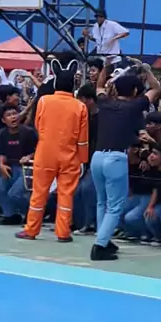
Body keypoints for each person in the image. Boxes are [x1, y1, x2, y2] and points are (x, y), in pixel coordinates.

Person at [90, 63, 161, 261]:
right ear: (135, 91)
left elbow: (99, 85)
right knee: (114, 206)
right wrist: (147, 70)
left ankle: (104, 239)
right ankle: (100, 245)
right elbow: (156, 88)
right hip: (116, 158)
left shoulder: (105, 103)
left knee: (102, 202)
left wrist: (105, 68)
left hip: (97, 157)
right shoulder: (135, 106)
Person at [17, 62, 89, 242]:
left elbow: (37, 125)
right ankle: (63, 233)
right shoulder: (80, 106)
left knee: (39, 193)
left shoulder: (44, 101)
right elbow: (83, 138)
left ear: (55, 82)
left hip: (45, 153)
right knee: (66, 194)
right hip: (70, 156)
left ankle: (31, 230)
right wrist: (83, 159)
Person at [0, 107, 38, 224]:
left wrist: (29, 157)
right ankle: (11, 215)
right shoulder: (2, 133)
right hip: (10, 168)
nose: (13, 117)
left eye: (15, 114)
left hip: (27, 169)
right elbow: (1, 153)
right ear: (3, 120)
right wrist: (1, 164)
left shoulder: (29, 132)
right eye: (9, 115)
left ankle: (31, 214)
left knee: (14, 193)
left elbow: (40, 149)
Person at [73, 83, 99, 234]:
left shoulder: (103, 117)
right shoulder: (85, 117)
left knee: (87, 189)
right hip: (85, 160)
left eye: (80, 100)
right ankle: (77, 223)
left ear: (88, 100)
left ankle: (91, 224)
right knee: (76, 191)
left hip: (98, 159)